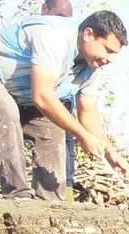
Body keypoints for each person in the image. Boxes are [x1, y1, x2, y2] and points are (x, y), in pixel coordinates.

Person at [0, 10, 129, 201]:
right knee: (5, 110)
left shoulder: (91, 68)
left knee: (52, 128)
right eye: (108, 50)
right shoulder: (53, 37)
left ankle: (50, 205)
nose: (110, 60)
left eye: (114, 54)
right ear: (88, 34)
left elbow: (88, 115)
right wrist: (82, 135)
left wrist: (111, 153)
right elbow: (42, 97)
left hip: (12, 88)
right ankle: (18, 196)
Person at [39, 0, 76, 194]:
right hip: (43, 100)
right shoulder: (40, 35)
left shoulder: (69, 42)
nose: (64, 24)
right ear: (45, 9)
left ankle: (66, 195)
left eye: (68, 20)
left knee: (67, 147)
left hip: (65, 100)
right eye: (60, 17)